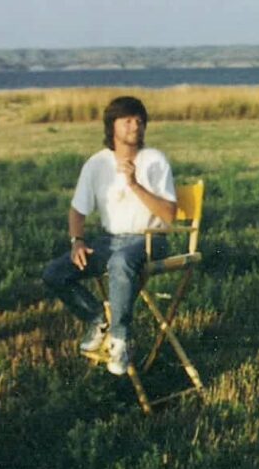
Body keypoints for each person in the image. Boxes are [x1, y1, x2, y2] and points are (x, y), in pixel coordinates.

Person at [43, 95, 177, 376]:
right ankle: (96, 318)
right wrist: (77, 241)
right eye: (127, 120)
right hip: (108, 241)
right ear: (111, 126)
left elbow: (169, 215)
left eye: (140, 121)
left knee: (120, 262)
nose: (135, 126)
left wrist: (135, 184)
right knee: (55, 273)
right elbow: (77, 211)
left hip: (150, 239)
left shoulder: (154, 160)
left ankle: (121, 339)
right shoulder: (97, 164)